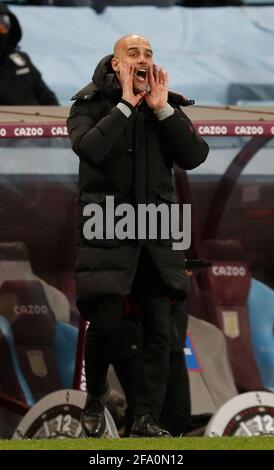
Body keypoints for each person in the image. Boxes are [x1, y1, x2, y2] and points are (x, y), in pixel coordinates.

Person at [67, 33, 209, 438]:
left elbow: (195, 157)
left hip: (157, 234)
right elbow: (91, 149)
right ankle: (95, 398)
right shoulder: (87, 106)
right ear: (117, 64)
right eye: (134, 53)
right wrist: (127, 105)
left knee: (160, 333)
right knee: (107, 324)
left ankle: (146, 416)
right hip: (107, 227)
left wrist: (162, 109)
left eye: (148, 53)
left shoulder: (165, 107)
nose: (143, 59)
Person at [0, 4, 59, 105]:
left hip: (39, 118)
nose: (2, 27)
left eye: (4, 23)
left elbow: (46, 96)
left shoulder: (21, 60)